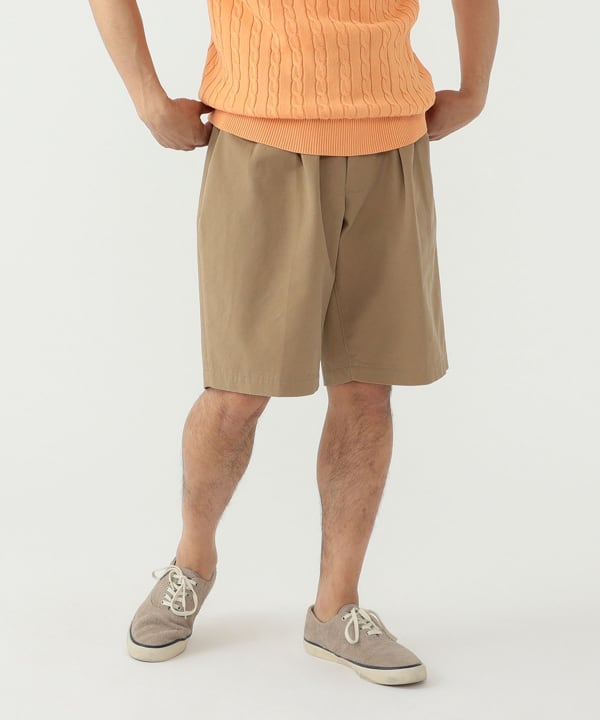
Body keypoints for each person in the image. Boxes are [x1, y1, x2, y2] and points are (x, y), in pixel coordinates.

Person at [89, 0, 498, 685]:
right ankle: (191, 563)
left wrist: (477, 87)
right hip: (261, 141)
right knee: (237, 393)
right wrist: (147, 99)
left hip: (390, 142)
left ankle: (337, 609)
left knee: (368, 391)